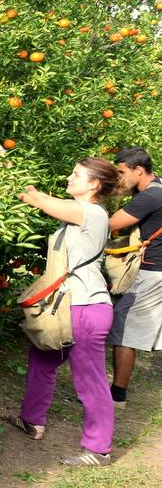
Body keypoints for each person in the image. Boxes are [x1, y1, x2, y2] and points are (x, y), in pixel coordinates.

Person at [10, 158, 118, 467]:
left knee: (90, 379)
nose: (69, 178)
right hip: (67, 306)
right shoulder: (77, 214)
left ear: (94, 184)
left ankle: (98, 449)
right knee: (42, 358)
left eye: (76, 175)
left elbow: (43, 202)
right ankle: (32, 420)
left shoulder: (92, 213)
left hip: (86, 307)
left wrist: (14, 181)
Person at [107, 146, 162, 404]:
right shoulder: (158, 188)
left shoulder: (149, 198)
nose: (119, 178)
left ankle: (117, 394)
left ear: (139, 170)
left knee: (123, 325)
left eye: (121, 172)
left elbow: (109, 224)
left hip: (152, 272)